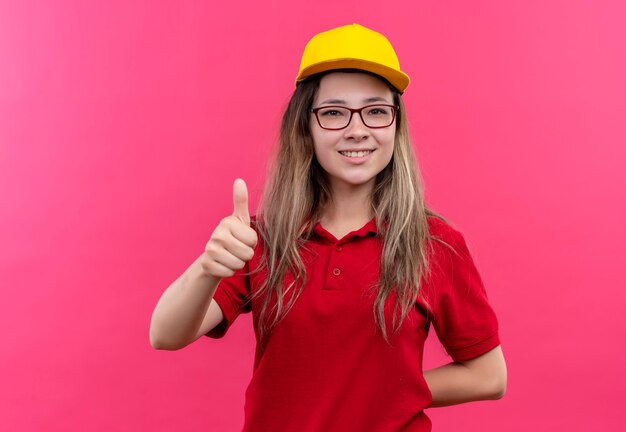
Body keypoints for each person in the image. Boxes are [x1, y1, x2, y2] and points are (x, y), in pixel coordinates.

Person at [150, 23, 507, 432]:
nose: (358, 130)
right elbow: (165, 334)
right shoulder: (262, 238)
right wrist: (206, 268)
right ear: (306, 126)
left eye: (376, 111)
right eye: (334, 112)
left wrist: (387, 391)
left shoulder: (437, 244)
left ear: (395, 125)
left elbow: (489, 376)